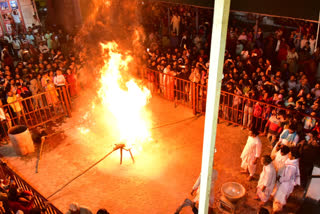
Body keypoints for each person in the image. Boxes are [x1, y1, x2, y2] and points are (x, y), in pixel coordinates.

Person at [273, 148, 300, 213]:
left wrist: (280, 178)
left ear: (293, 157)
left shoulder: (292, 166)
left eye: (290, 154)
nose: (288, 154)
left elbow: (287, 177)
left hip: (286, 184)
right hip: (285, 182)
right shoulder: (292, 160)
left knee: (280, 198)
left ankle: (276, 211)